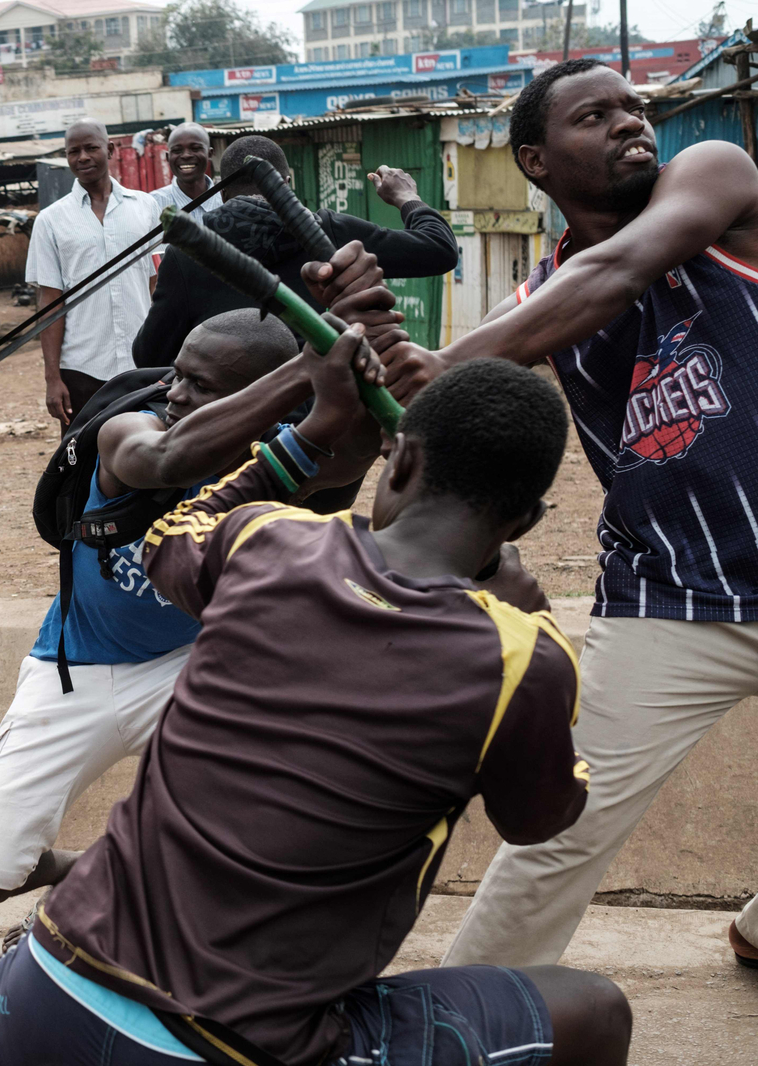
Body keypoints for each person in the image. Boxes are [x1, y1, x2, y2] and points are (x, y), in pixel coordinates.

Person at [0, 338, 632, 1066]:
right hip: (237, 1045)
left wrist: (306, 431)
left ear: (403, 461)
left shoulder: (268, 540)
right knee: (596, 1010)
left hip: (38, 985)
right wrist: (537, 617)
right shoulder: (522, 658)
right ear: (528, 523)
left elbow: (174, 529)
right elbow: (540, 820)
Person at [320, 58, 758, 973]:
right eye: (594, 117)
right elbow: (442, 407)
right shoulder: (536, 301)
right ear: (536, 161)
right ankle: (467, 1019)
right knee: (562, 833)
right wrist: (387, 359)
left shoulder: (715, 175)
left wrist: (455, 361)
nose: (632, 124)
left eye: (635, 108)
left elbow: (623, 267)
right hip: (673, 595)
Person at [0, 308, 386, 907]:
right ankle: (115, 867)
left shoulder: (267, 461)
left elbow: (352, 453)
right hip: (75, 669)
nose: (175, 393)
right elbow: (167, 462)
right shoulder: (127, 431)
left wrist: (361, 379)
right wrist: (299, 372)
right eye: (178, 374)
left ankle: (183, 881)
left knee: (293, 803)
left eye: (202, 386)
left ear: (255, 402)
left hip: (193, 667)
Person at [131, 135, 458, 370]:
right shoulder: (331, 232)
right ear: (285, 182)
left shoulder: (186, 253)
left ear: (223, 190)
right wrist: (405, 197)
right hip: (319, 419)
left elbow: (149, 356)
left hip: (224, 425)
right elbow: (440, 250)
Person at [27, 118, 160, 429]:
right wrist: (52, 378)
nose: (83, 157)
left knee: (147, 456)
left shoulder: (145, 207)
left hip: (141, 364)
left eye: (91, 148)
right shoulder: (50, 221)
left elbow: (157, 285)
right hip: (82, 369)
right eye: (74, 151)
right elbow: (50, 303)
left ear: (110, 149)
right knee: (81, 462)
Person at [147, 123, 223, 217]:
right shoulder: (152, 204)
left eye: (195, 149)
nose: (186, 155)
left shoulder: (226, 200)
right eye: (177, 151)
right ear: (167, 157)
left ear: (210, 153)